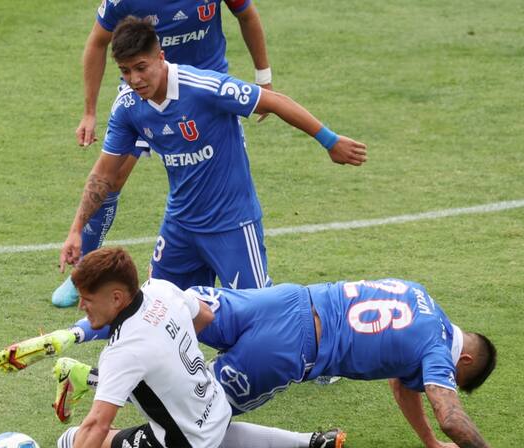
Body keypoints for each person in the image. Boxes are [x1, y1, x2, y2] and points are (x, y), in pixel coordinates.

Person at [7, 275, 524, 448]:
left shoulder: (419, 294)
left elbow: (400, 384)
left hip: (283, 300)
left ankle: (85, 341)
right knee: (202, 417)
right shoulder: (438, 354)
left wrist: (427, 442)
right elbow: (452, 415)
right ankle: (98, 377)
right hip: (290, 347)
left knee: (174, 309)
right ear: (464, 363)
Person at [57, 17, 367, 303]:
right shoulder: (127, 106)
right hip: (179, 226)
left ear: (161, 58)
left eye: (141, 67)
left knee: (258, 315)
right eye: (125, 71)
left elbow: (273, 102)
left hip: (232, 224)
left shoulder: (204, 88)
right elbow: (103, 176)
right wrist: (76, 229)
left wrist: (330, 140)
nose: (134, 79)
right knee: (157, 311)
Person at [31, 248, 345, 448]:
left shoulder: (121, 350)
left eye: (87, 299)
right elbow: (206, 315)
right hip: (217, 405)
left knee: (69, 441)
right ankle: (309, 441)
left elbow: (97, 425)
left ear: (116, 298)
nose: (82, 307)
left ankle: (83, 376)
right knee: (196, 417)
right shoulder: (161, 289)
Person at [53, 0, 275, 308]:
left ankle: (232, 257)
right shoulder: (123, 2)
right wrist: (89, 112)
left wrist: (263, 77)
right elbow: (97, 41)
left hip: (204, 94)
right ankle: (85, 269)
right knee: (111, 176)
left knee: (216, 176)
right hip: (144, 90)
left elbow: (246, 14)